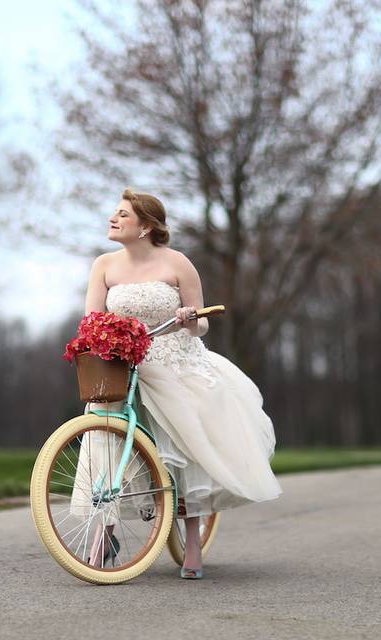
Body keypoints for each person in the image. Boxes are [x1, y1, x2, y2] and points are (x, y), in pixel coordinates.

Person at [82, 188, 282, 580]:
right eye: (115, 213)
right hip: (124, 363)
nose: (113, 219)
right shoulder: (103, 265)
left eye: (123, 214)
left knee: (184, 444)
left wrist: (190, 318)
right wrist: (100, 339)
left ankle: (192, 539)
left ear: (145, 227)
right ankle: (104, 531)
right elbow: (91, 319)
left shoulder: (178, 263)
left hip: (174, 359)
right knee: (105, 435)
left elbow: (201, 325)